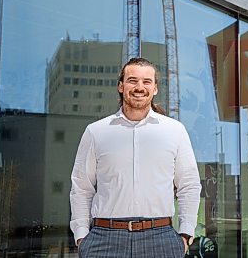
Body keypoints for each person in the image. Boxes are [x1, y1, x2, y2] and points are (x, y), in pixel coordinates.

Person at [70, 57, 202, 258]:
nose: (140, 87)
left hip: (161, 239)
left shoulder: (175, 131)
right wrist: (81, 236)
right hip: (104, 240)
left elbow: (189, 185)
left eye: (146, 81)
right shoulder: (96, 132)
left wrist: (186, 234)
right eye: (133, 80)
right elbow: (81, 187)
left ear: (155, 88)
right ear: (121, 86)